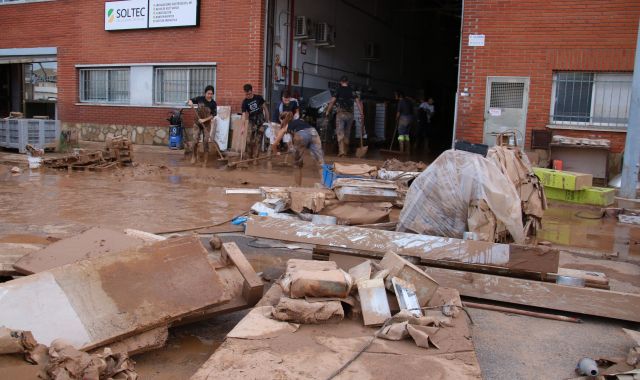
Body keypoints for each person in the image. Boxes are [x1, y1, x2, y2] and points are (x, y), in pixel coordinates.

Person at [272, 111, 325, 186]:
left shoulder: (285, 127)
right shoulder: (300, 121)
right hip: (313, 132)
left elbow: (274, 144)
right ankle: (325, 184)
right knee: (320, 162)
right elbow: (295, 138)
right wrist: (293, 148)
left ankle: (297, 186)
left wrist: (276, 153)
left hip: (301, 135)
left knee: (297, 165)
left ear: (282, 120)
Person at [325, 76, 364, 157]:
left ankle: (342, 152)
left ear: (340, 82)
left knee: (340, 132)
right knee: (347, 133)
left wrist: (328, 111)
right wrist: (361, 113)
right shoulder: (352, 90)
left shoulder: (338, 89)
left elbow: (332, 101)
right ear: (347, 82)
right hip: (350, 115)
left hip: (341, 114)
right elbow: (358, 102)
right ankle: (345, 151)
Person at [186, 85, 217, 166]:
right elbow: (189, 101)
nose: (210, 95)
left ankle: (205, 160)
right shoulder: (200, 99)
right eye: (208, 93)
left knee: (206, 142)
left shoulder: (213, 103)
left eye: (211, 94)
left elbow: (213, 115)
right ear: (205, 93)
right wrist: (190, 102)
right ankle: (194, 156)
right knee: (195, 140)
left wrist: (204, 120)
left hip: (206, 125)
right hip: (197, 123)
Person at [241, 83, 270, 159]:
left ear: (252, 91)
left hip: (261, 121)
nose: (248, 96)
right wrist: (243, 127)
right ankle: (249, 157)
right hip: (251, 122)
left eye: (249, 94)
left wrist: (267, 121)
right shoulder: (245, 102)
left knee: (258, 141)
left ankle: (255, 158)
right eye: (246, 94)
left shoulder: (258, 98)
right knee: (248, 140)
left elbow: (265, 109)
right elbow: (244, 115)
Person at [395, 90, 414, 154]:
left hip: (404, 119)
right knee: (406, 135)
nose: (395, 96)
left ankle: (401, 152)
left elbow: (398, 113)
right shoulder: (409, 101)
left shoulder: (400, 102)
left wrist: (396, 119)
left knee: (401, 136)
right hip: (410, 119)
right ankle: (408, 152)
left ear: (399, 96)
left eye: (396, 95)